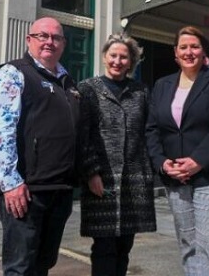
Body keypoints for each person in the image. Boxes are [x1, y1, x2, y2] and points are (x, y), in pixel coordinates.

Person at [0, 17, 80, 276]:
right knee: (20, 268)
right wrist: (11, 183)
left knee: (43, 264)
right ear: (29, 40)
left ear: (63, 44)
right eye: (42, 36)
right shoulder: (13, 73)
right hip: (27, 191)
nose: (49, 41)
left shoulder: (67, 80)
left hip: (59, 190)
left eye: (56, 37)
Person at [145, 26, 209, 276]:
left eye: (195, 47)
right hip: (176, 178)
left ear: (203, 51)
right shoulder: (162, 85)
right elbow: (152, 129)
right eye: (183, 47)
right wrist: (162, 163)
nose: (189, 52)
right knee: (188, 246)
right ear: (175, 53)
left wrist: (198, 160)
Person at [77, 33, 156, 276]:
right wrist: (91, 172)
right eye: (113, 55)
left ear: (131, 61)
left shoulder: (141, 91)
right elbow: (83, 134)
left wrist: (150, 169)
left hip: (134, 180)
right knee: (104, 246)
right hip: (102, 178)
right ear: (104, 57)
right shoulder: (88, 89)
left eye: (124, 57)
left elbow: (149, 130)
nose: (118, 61)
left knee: (125, 245)